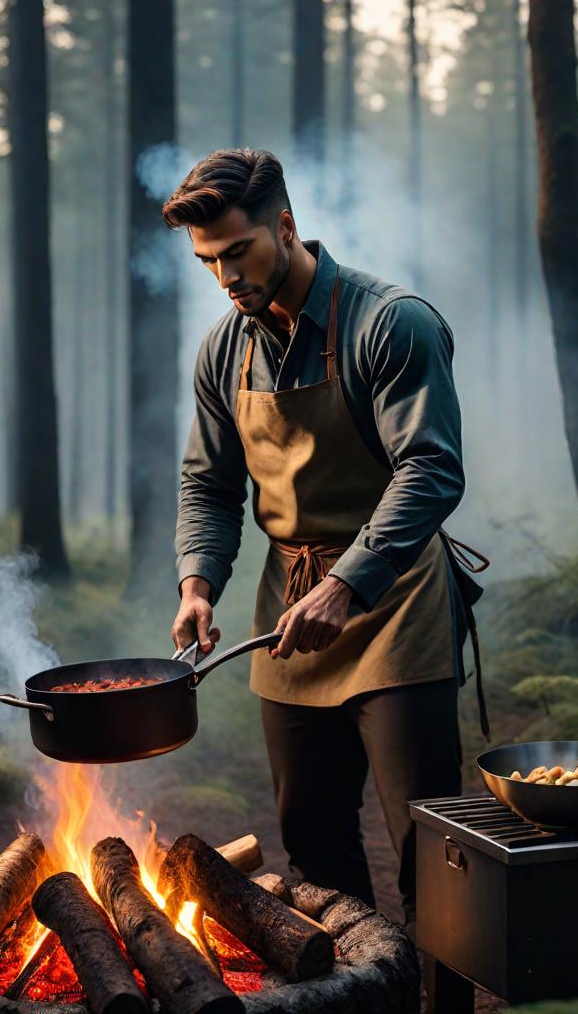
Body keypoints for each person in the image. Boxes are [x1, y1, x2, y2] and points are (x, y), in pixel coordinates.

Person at [166, 147, 486, 927]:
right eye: (208, 262)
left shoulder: (393, 323)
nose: (226, 278)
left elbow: (432, 472)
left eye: (238, 253)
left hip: (396, 604)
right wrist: (198, 585)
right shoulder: (222, 352)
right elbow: (208, 485)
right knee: (312, 844)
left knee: (428, 844)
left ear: (286, 227)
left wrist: (348, 584)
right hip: (288, 610)